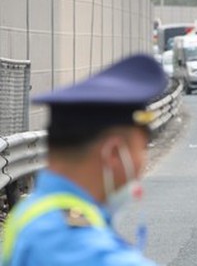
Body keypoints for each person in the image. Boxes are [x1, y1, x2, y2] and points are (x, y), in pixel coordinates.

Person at [2, 54, 167, 266]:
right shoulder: (77, 246)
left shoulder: (30, 212)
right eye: (142, 148)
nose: (142, 164)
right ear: (114, 153)